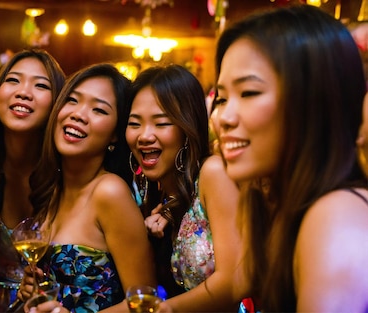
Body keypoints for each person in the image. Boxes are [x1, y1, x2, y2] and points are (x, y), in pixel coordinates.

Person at [214, 5, 368, 311]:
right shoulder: (264, 198)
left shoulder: (336, 214)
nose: (223, 117)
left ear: (314, 100)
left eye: (248, 93)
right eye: (221, 98)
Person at [20, 63, 156, 312]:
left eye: (98, 110)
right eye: (72, 100)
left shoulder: (110, 192)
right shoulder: (52, 190)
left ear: (115, 134)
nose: (79, 114)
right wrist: (34, 290)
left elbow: (144, 305)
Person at [125, 65, 241, 311]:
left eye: (161, 123)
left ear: (187, 128)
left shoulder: (213, 174)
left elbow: (234, 280)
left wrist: (165, 309)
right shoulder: (160, 195)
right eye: (135, 123)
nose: (144, 136)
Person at [0, 48, 65, 312]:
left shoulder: (68, 179)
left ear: (58, 102)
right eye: (13, 80)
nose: (23, 91)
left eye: (40, 85)